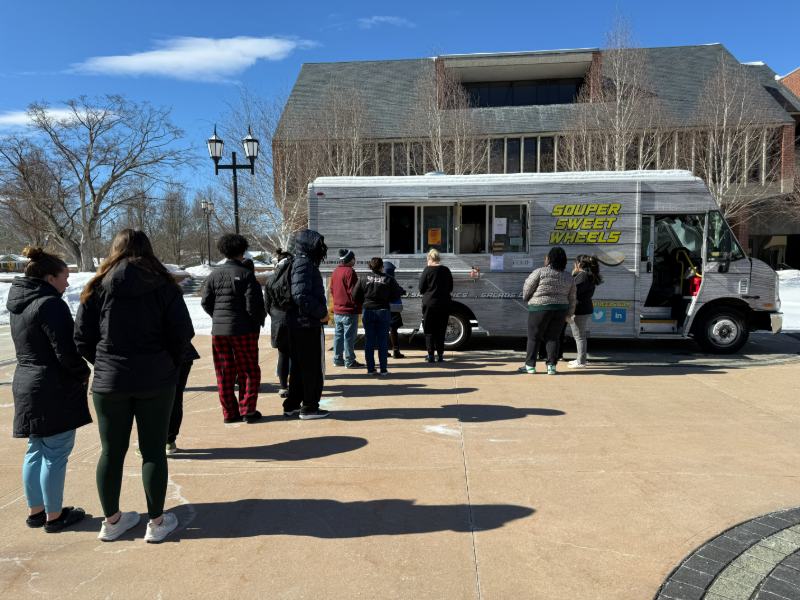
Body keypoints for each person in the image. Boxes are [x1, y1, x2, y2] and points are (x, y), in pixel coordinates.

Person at [74, 229, 194, 543]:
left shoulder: (97, 286)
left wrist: (103, 364)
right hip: (155, 377)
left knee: (111, 452)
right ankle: (156, 522)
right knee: (153, 450)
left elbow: (82, 338)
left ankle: (111, 520)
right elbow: (182, 333)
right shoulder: (164, 286)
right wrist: (167, 362)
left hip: (110, 380)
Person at [7, 247, 90, 533]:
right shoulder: (49, 304)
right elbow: (65, 351)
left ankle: (37, 510)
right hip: (51, 385)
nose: (67, 283)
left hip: (26, 382)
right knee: (55, 451)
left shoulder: (18, 304)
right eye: (64, 277)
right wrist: (83, 372)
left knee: (36, 449)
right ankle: (54, 516)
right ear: (49, 277)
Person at [201, 234, 266, 424]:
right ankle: (247, 409)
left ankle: (229, 413)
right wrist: (256, 324)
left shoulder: (214, 275)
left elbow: (206, 302)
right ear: (242, 251)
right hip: (243, 329)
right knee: (249, 370)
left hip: (219, 331)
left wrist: (218, 317)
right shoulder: (246, 274)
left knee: (224, 371)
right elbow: (253, 306)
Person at [284, 229, 330, 420]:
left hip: (299, 324)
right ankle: (310, 407)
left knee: (298, 367)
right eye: (318, 244)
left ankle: (293, 404)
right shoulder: (304, 264)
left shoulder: (300, 262)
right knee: (311, 367)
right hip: (306, 324)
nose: (322, 249)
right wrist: (321, 313)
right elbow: (300, 295)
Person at [519, 246, 576, 375]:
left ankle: (530, 366)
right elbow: (572, 297)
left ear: (549, 259)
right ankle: (551, 366)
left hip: (540, 308)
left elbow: (528, 287)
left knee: (534, 337)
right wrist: (570, 313)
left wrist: (527, 298)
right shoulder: (569, 277)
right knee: (553, 338)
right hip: (560, 309)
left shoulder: (540, 272)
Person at [353, 257, 405, 375]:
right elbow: (396, 295)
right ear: (382, 267)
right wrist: (387, 299)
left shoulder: (363, 278)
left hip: (368, 311)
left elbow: (354, 295)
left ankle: (370, 369)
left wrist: (365, 302)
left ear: (370, 266)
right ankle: (383, 369)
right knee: (382, 341)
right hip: (383, 311)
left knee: (369, 340)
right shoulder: (389, 279)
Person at [265, 249, 292, 399]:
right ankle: (294, 386)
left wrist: (276, 316)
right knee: (296, 356)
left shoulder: (270, 280)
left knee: (283, 355)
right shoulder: (293, 278)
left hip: (278, 322)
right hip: (293, 321)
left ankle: (283, 386)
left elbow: (267, 305)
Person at [418, 249, 453, 363]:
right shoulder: (446, 270)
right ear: (438, 258)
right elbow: (451, 287)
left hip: (429, 303)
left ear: (429, 258)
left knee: (429, 329)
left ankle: (430, 355)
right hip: (444, 303)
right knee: (441, 329)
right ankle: (441, 355)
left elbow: (421, 288)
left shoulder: (427, 270)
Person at [568, 255, 602, 369]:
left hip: (579, 309)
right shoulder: (587, 275)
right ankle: (580, 359)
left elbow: (571, 289)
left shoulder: (582, 275)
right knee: (579, 335)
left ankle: (581, 361)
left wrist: (573, 274)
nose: (574, 265)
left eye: (575, 263)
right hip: (585, 308)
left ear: (579, 264)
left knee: (579, 336)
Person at [330, 248, 362, 369]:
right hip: (349, 310)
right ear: (350, 259)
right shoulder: (350, 272)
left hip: (338, 310)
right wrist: (358, 304)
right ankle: (349, 361)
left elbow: (332, 290)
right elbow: (354, 292)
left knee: (338, 335)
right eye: (353, 258)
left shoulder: (335, 271)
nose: (355, 260)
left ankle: (337, 359)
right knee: (349, 337)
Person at [383, 261, 406, 359]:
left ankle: (384, 351)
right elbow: (399, 291)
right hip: (393, 309)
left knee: (383, 330)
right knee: (393, 330)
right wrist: (403, 291)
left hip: (383, 309)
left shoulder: (380, 280)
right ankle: (396, 351)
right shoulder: (392, 280)